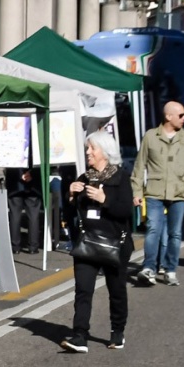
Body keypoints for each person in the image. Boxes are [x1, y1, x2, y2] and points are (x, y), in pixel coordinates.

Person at [60, 132, 132, 352]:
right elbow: (71, 214)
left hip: (114, 244)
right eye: (87, 148)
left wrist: (104, 200)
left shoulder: (121, 178)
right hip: (87, 243)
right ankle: (80, 335)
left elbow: (125, 211)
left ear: (105, 152)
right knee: (83, 290)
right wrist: (70, 196)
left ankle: (117, 332)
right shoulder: (84, 178)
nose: (88, 152)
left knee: (116, 290)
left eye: (92, 148)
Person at [131, 100, 184, 286]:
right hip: (154, 193)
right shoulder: (150, 136)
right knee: (153, 229)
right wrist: (137, 191)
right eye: (181, 115)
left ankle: (170, 270)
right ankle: (148, 268)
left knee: (175, 233)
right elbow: (139, 165)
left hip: (179, 194)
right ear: (168, 116)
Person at [4, 165, 42, 254]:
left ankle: (15, 246)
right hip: (33, 185)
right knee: (33, 216)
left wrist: (19, 175)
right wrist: (31, 173)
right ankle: (33, 246)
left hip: (15, 183)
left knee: (15, 216)